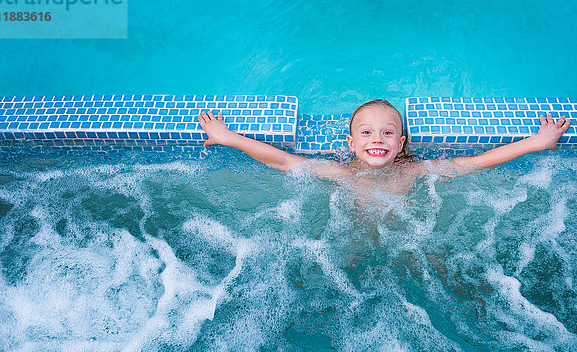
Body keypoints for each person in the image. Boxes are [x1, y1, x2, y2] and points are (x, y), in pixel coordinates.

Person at [198, 99, 570, 193]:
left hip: (408, 241)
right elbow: (282, 161)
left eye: (388, 133)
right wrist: (229, 138)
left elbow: (477, 162)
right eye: (367, 133)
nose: (377, 139)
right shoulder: (339, 171)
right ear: (351, 142)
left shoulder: (415, 170)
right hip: (355, 242)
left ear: (402, 142)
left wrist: (536, 142)